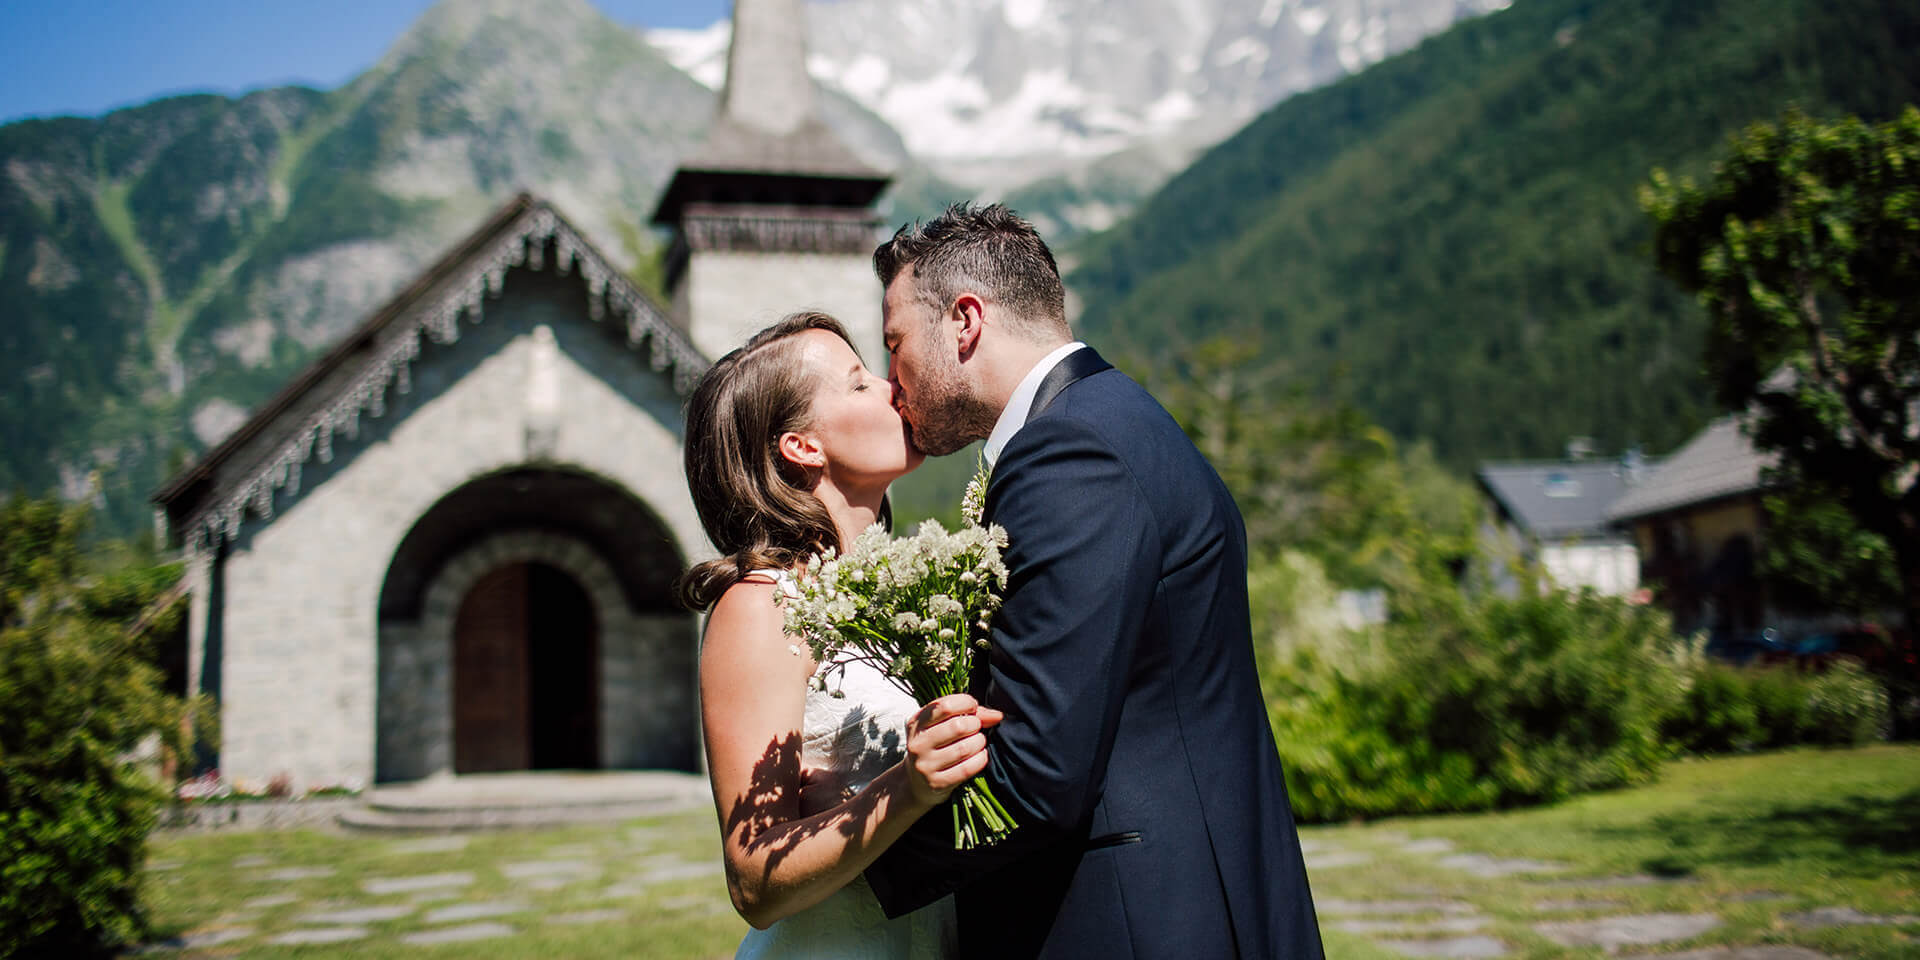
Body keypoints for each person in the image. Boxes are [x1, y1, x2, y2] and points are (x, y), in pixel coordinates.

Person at [862, 204, 1325, 959]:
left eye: (896, 343)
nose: (893, 380)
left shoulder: (1069, 454)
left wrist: (849, 867)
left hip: (1138, 923)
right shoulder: (1115, 417)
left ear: (964, 322)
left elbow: (1040, 768)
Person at [679, 311, 997, 959]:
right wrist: (906, 787)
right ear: (802, 446)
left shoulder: (907, 593)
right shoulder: (762, 605)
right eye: (857, 383)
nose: (889, 386)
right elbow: (754, 884)